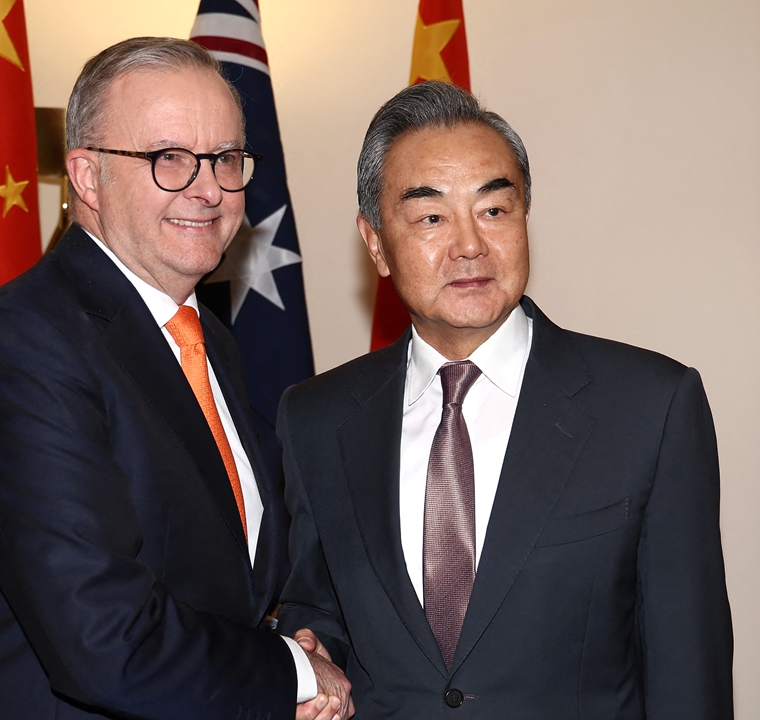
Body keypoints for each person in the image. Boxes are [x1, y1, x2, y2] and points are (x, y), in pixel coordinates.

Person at [276, 81, 734, 718]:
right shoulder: (315, 418)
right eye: (431, 217)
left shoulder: (650, 407)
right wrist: (310, 653)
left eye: (494, 210)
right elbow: (317, 605)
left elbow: (688, 670)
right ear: (375, 242)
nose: (470, 244)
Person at [0, 38, 350, 720]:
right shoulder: (21, 343)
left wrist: (287, 643)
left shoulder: (207, 339)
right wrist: (294, 670)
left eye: (226, 158)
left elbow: (222, 585)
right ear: (87, 177)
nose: (208, 189)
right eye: (169, 158)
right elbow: (104, 639)